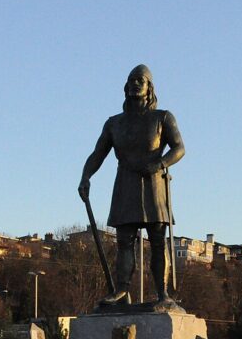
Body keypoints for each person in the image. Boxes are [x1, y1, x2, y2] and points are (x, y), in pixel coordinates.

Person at [78, 64, 185, 308]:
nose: (135, 84)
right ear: (125, 87)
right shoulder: (114, 123)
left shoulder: (163, 118)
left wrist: (160, 163)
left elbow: (179, 148)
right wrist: (86, 176)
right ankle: (122, 289)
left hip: (153, 184)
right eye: (131, 80)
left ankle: (163, 294)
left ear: (149, 87)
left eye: (141, 80)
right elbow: (98, 154)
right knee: (124, 240)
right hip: (125, 183)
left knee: (157, 240)